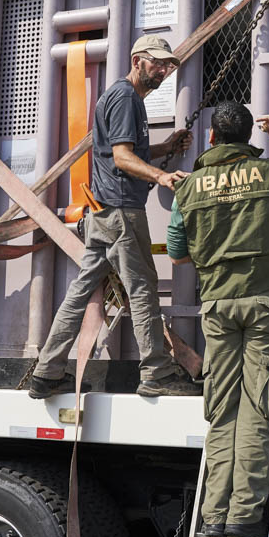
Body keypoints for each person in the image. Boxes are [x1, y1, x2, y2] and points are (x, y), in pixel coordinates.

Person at [167, 101, 269, 537]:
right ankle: (243, 514)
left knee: (222, 409)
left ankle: (214, 514)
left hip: (217, 306)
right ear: (249, 137)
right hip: (265, 303)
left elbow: (177, 255)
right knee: (259, 405)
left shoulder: (188, 187)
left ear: (211, 137)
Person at [29, 35, 200, 399]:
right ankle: (156, 372)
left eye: (167, 66)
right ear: (137, 61)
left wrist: (164, 147)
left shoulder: (122, 98)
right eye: (157, 63)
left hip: (103, 213)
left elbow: (116, 153)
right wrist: (161, 175)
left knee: (79, 293)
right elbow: (122, 158)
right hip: (122, 213)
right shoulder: (125, 98)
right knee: (142, 290)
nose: (163, 71)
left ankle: (47, 371)